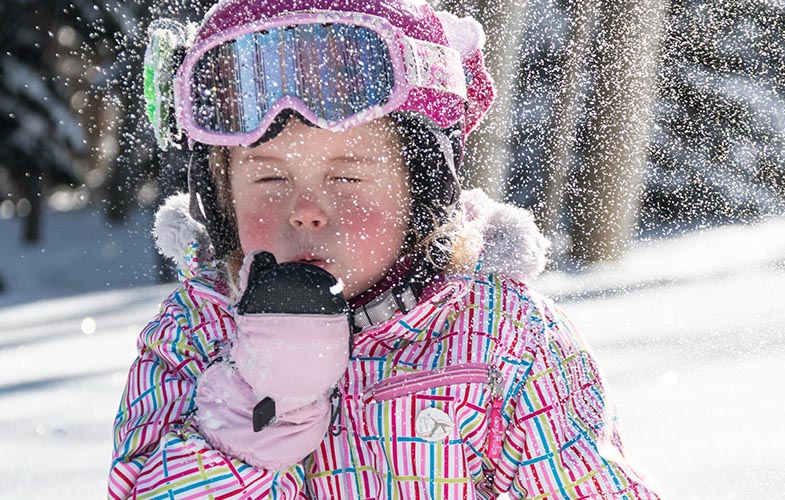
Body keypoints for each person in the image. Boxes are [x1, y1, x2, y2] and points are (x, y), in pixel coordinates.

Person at [109, 0, 663, 498]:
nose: (306, 209)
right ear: (222, 200)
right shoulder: (192, 337)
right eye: (269, 180)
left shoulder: (505, 339)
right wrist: (248, 415)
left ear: (421, 191)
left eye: (348, 178)